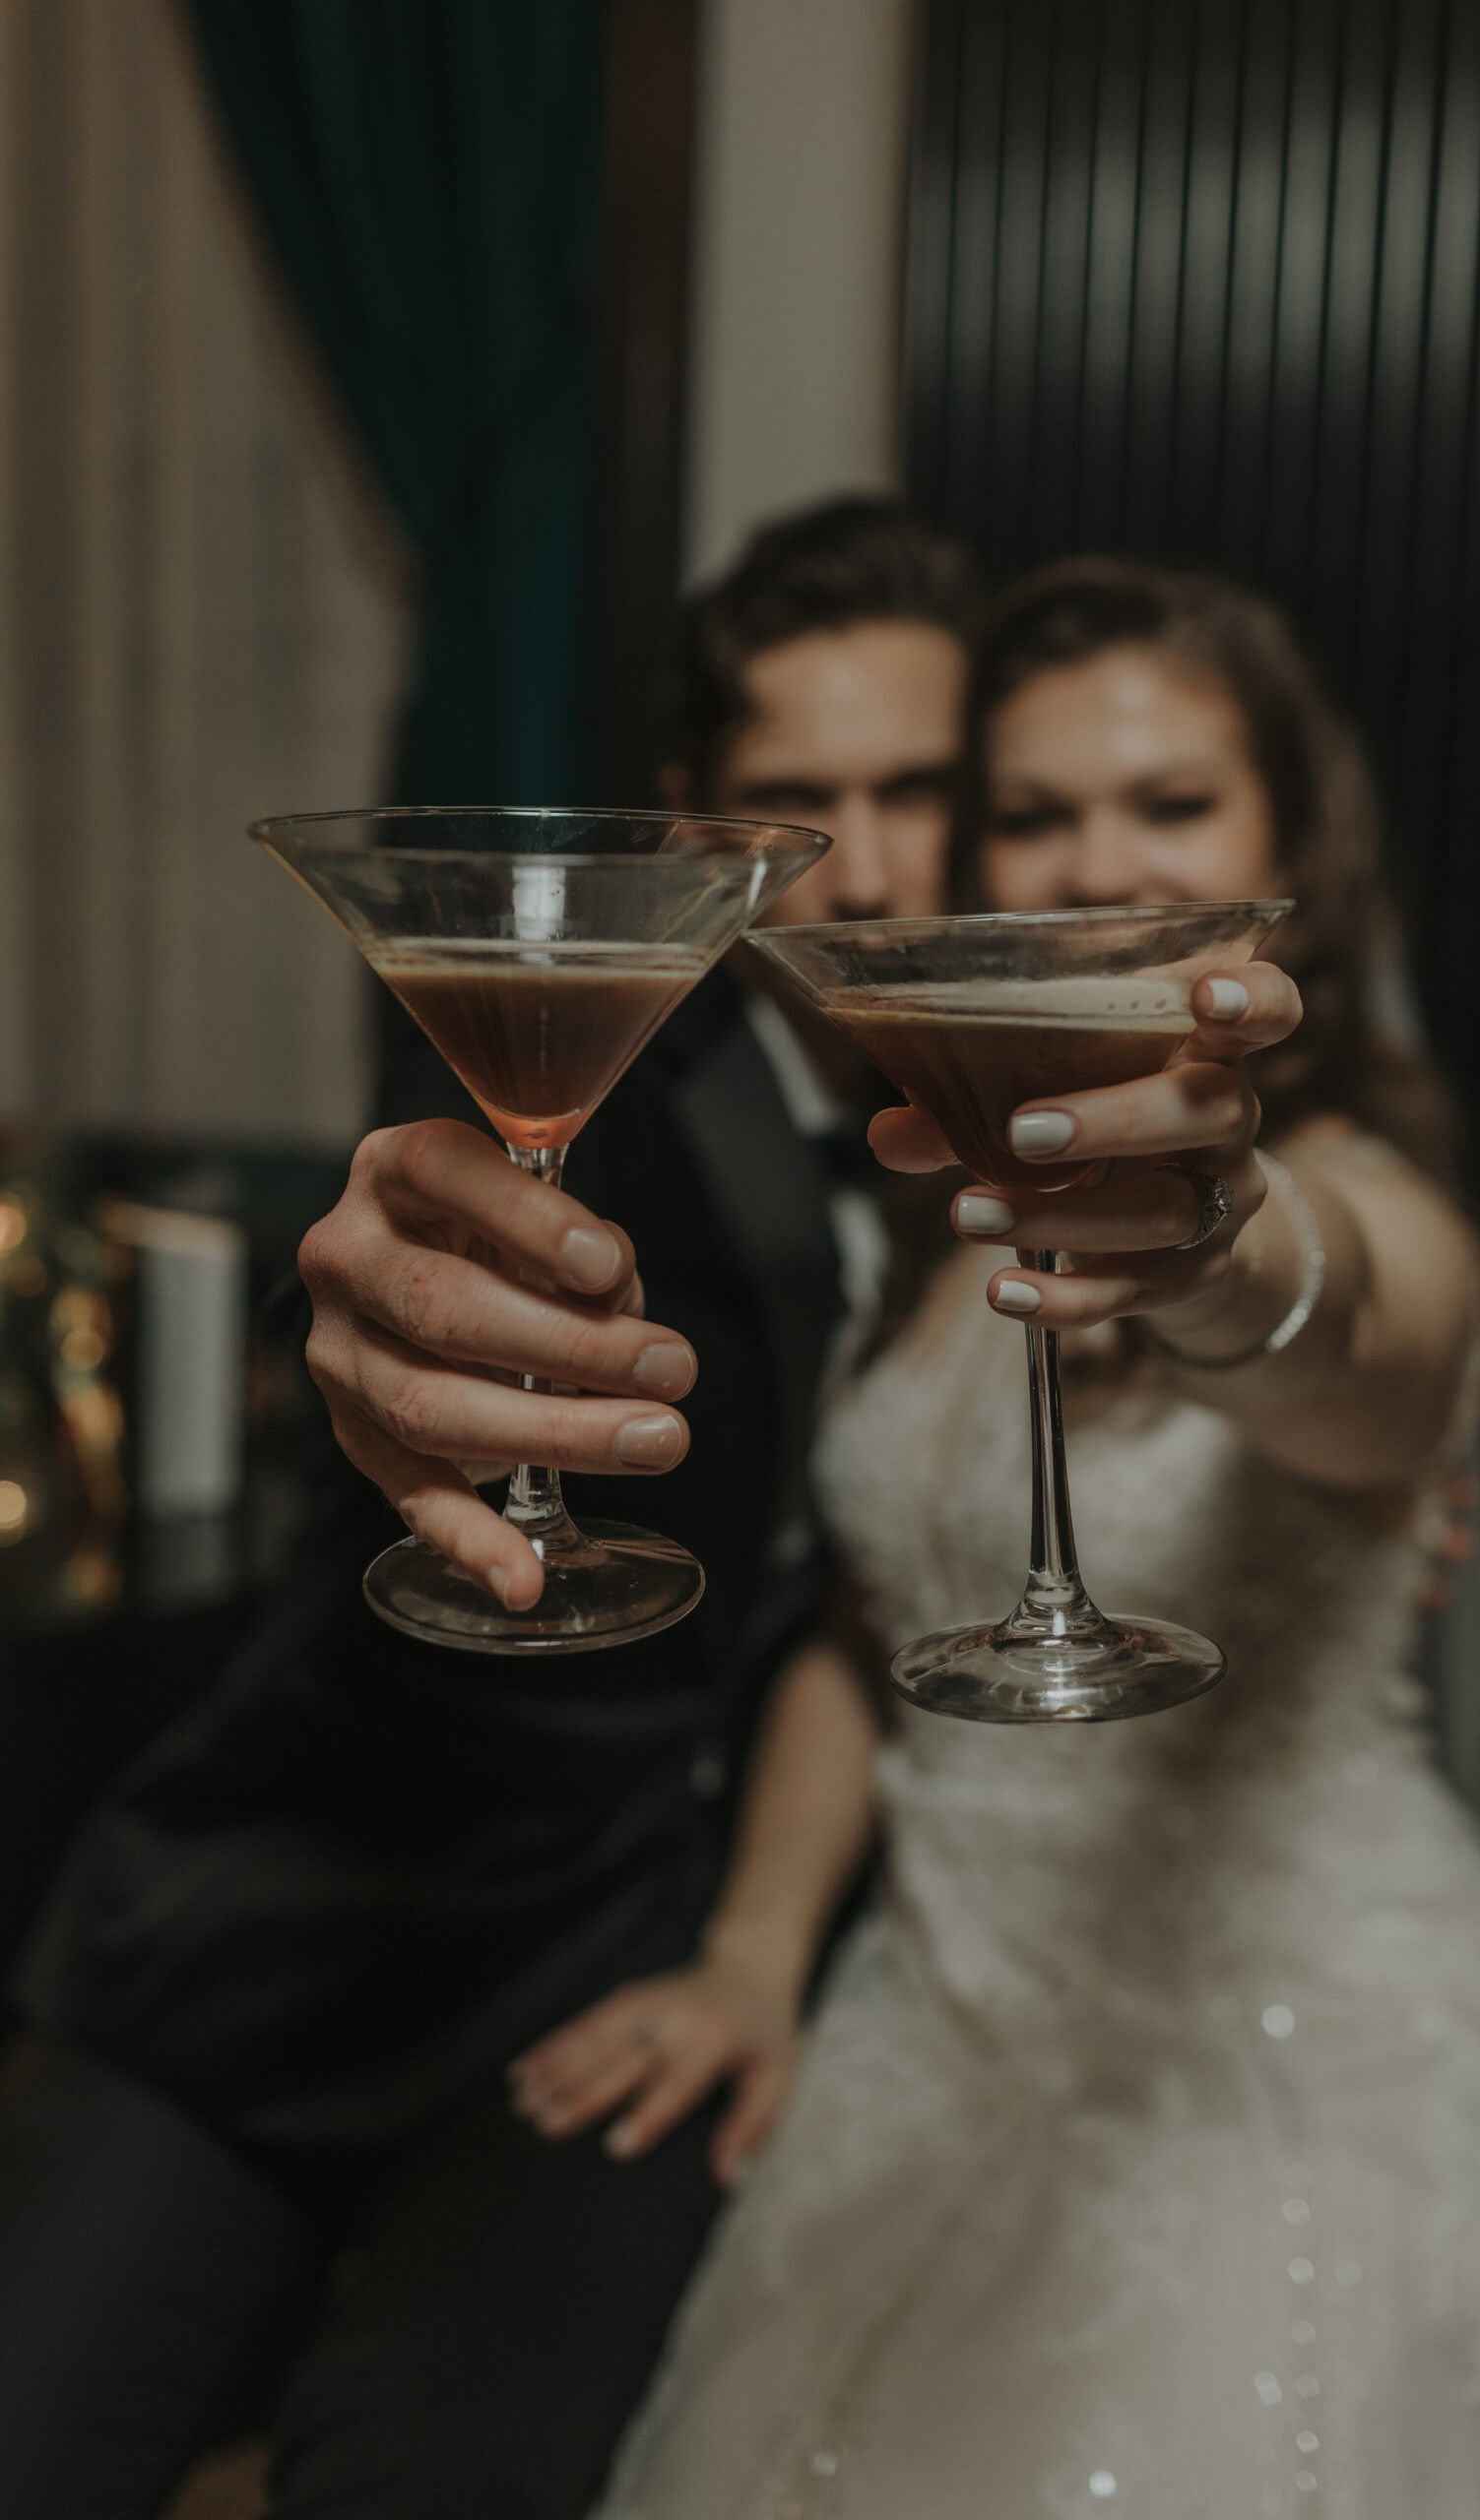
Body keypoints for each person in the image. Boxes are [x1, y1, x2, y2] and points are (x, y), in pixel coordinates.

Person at [551, 559, 1480, 2519]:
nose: (1098, 857)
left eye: (1170, 806)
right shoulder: (925, 1213)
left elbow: (1366, 1340)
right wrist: (748, 1950)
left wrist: (1215, 1248)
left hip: (1293, 2079)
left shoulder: (1349, 1182)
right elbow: (873, 1626)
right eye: (1036, 810)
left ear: (1287, 850)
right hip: (932, 2037)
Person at [0, 495, 972, 2520]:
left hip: (607, 1994)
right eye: (802, 798)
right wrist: (366, 1359)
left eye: (917, 790)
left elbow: (851, 1600)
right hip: (298, 1913)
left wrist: (753, 1941)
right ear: (695, 811)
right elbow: (408, 1241)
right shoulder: (615, 1052)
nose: (864, 865)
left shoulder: (983, 1108)